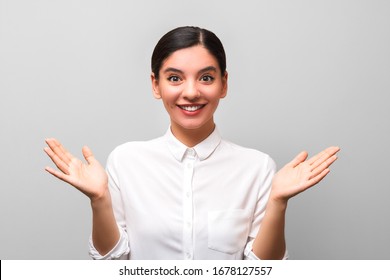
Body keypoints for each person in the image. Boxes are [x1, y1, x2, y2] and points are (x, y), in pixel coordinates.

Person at [44, 26, 340, 260]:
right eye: (174, 78)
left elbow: (262, 271)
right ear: (155, 85)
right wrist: (99, 201)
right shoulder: (126, 161)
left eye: (206, 78)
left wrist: (278, 202)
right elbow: (111, 264)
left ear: (224, 84)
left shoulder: (257, 167)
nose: (191, 92)